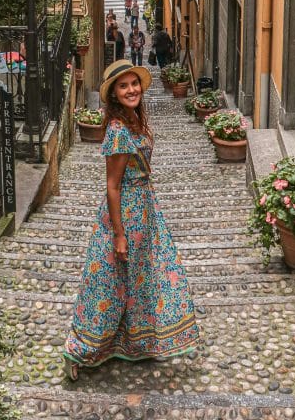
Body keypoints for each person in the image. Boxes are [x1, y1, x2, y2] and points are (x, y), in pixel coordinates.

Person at [62, 60, 198, 379]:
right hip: (125, 215)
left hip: (145, 211)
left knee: (141, 279)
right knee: (110, 284)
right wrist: (119, 235)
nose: (131, 89)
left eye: (134, 83)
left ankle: (132, 342)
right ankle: (78, 350)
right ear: (114, 95)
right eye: (123, 86)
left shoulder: (135, 119)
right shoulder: (119, 130)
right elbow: (112, 186)